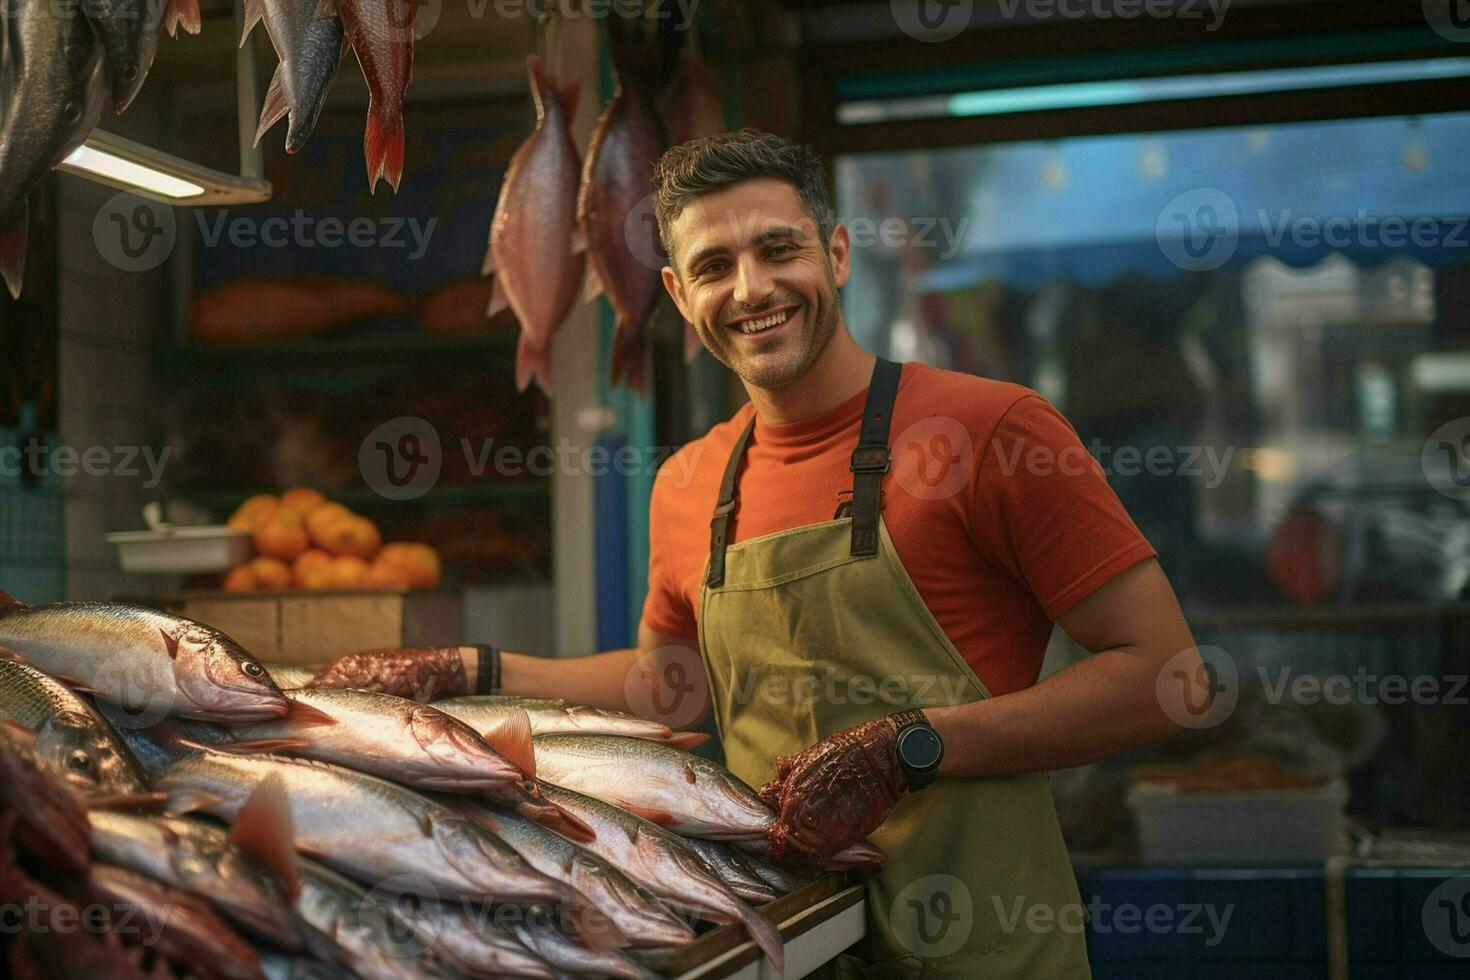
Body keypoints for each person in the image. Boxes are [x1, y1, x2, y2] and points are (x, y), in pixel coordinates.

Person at [312, 129, 1208, 979]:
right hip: (783, 942)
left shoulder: (993, 430)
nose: (751, 289)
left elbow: (1164, 676)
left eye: (780, 249)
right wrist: (465, 667)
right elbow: (678, 687)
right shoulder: (690, 483)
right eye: (714, 266)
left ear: (838, 255)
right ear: (675, 294)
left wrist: (914, 748)